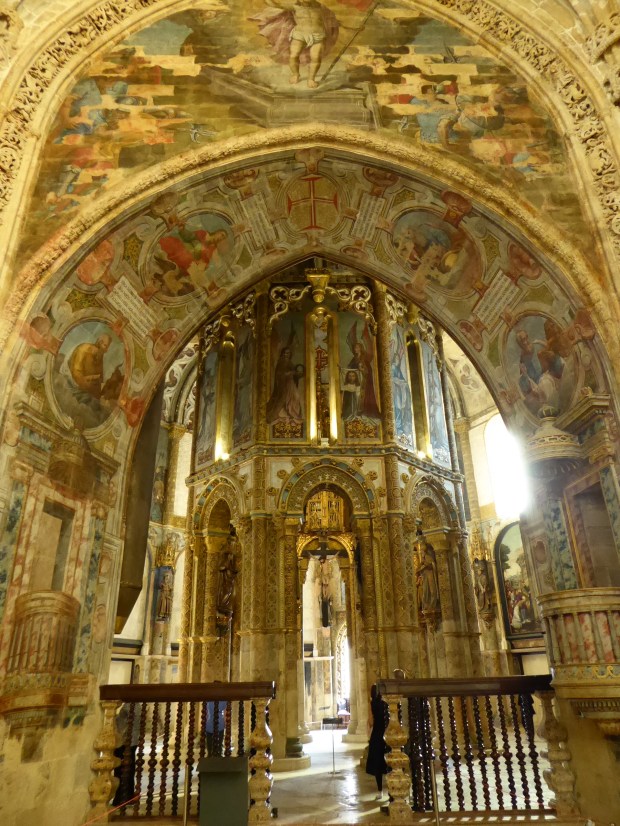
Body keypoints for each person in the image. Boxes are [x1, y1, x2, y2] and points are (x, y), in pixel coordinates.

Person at [113, 702, 142, 808]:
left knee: (124, 769)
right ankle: (124, 797)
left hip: (126, 741)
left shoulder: (131, 705)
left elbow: (123, 723)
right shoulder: (134, 705)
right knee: (126, 769)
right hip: (128, 740)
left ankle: (123, 797)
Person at [365, 684, 388, 801]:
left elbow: (371, 721)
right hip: (387, 734)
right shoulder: (386, 702)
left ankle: (380, 791)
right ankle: (393, 789)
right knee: (389, 762)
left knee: (377, 763)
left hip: (377, 735)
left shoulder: (372, 703)